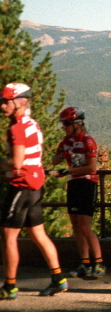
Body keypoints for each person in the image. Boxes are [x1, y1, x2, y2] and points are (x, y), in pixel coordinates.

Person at [0, 83, 68, 299]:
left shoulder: (17, 128)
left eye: (5, 101)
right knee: (38, 233)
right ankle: (59, 279)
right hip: (37, 185)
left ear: (19, 102)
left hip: (21, 185)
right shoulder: (32, 124)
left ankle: (9, 286)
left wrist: (1, 162)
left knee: (8, 236)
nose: (2, 106)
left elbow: (16, 162)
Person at [48, 106, 105, 279]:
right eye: (63, 124)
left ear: (78, 124)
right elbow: (55, 160)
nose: (64, 127)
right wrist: (62, 154)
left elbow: (92, 167)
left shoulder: (88, 141)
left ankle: (100, 263)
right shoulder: (65, 141)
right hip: (73, 184)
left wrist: (69, 170)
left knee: (85, 226)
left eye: (67, 123)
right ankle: (85, 264)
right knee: (76, 226)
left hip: (87, 183)